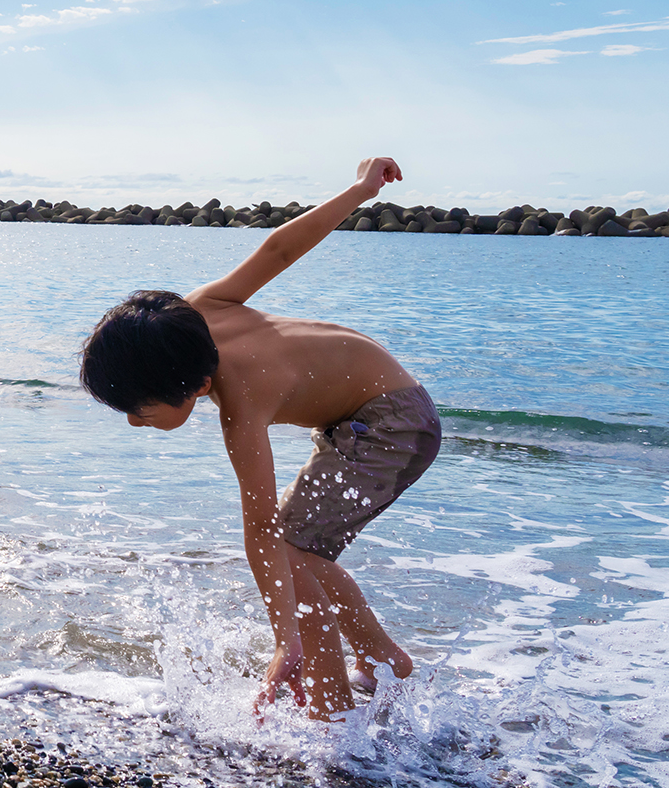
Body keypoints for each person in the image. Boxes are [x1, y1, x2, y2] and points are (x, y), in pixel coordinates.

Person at [78, 156, 436, 720]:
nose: (132, 422)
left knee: (294, 550)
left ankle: (332, 711)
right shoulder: (194, 313)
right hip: (374, 412)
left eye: (140, 412)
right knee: (302, 551)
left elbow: (260, 529)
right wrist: (359, 190)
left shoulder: (242, 403)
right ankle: (380, 659)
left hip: (393, 424)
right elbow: (279, 249)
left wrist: (283, 637)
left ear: (195, 386)